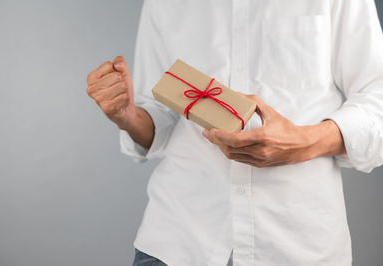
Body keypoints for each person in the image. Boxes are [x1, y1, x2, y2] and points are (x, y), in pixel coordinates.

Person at [86, 0, 383, 265]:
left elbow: (378, 98)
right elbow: (163, 117)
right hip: (178, 241)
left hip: (298, 246)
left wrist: (304, 142)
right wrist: (129, 116)